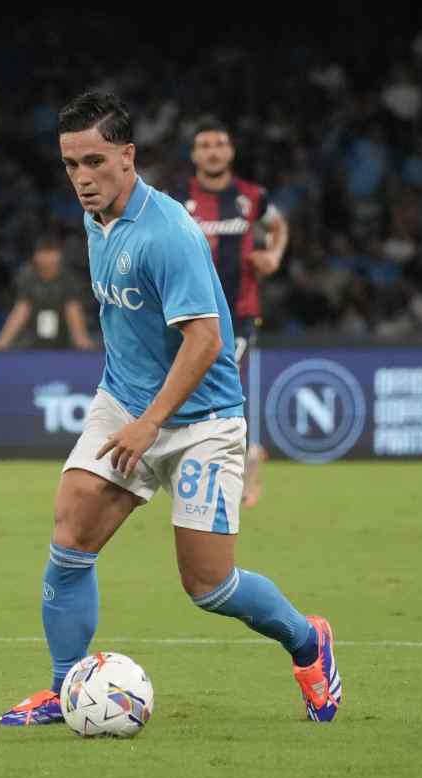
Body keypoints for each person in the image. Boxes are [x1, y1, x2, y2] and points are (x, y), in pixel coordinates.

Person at [0, 92, 339, 727]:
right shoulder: (95, 218)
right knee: (70, 532)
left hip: (201, 422)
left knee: (209, 586)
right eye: (70, 164)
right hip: (124, 403)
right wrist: (129, 406)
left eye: (94, 162)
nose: (81, 178)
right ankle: (63, 687)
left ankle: (307, 639)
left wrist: (152, 422)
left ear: (128, 157)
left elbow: (207, 339)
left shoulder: (169, 232)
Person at [179, 117, 289, 507]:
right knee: (190, 386)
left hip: (239, 312)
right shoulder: (177, 198)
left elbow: (278, 226)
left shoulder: (251, 196)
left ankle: (241, 463)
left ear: (230, 151)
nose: (213, 150)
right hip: (187, 313)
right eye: (205, 144)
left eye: (220, 143)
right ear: (194, 154)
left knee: (220, 383)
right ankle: (236, 456)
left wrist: (273, 256)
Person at [0, 236, 96, 351]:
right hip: (30, 342)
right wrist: (2, 341)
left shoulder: (68, 279)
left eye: (52, 253)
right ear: (36, 256)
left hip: (63, 342)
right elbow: (21, 309)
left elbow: (73, 309)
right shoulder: (26, 277)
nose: (48, 258)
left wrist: (81, 340)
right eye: (44, 253)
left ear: (59, 255)